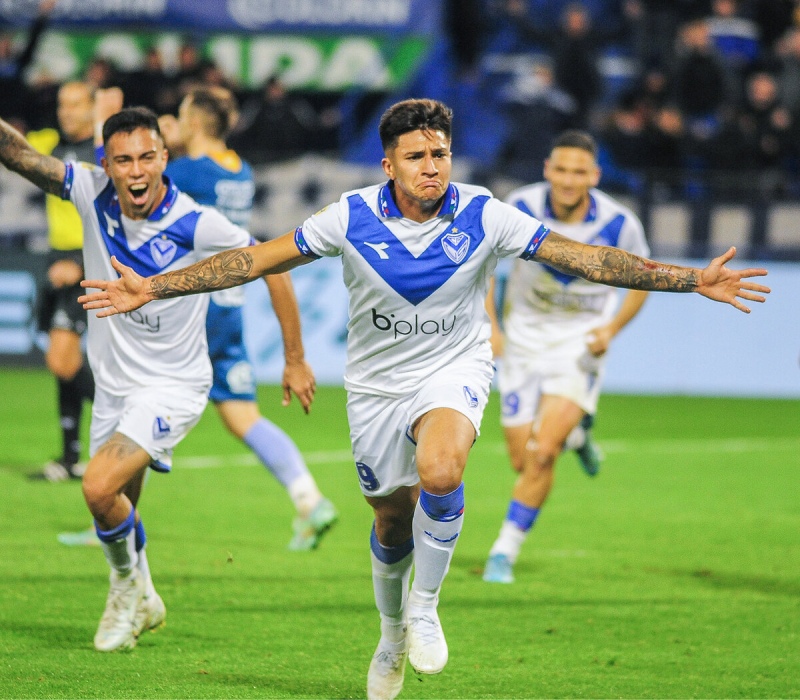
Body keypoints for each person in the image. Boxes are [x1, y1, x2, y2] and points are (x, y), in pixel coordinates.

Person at [78, 99, 769, 698]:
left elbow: (586, 258)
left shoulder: (483, 213)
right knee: (390, 522)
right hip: (376, 387)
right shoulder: (347, 218)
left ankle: (427, 606)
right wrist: (157, 284)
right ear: (389, 166)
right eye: (416, 156)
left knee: (443, 470)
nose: (432, 167)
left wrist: (688, 280)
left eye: (440, 153)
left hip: (454, 370)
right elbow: (254, 260)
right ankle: (389, 634)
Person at [0, 105, 316, 653]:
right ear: (107, 163)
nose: (137, 170)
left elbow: (272, 263)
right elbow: (17, 153)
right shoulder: (88, 190)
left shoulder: (196, 222)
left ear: (165, 157)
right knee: (116, 502)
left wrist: (294, 358)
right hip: (115, 386)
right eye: (123, 160)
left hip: (173, 384)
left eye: (148, 156)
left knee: (97, 486)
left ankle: (125, 590)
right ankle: (142, 594)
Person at [159, 86, 337, 549]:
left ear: (194, 122)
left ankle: (111, 516)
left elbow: (136, 191)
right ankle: (308, 497)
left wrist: (165, 148)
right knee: (241, 414)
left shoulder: (184, 171)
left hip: (192, 305)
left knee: (141, 394)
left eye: (180, 116)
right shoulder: (241, 169)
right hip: (231, 304)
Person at [482, 130, 650, 585]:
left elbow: (642, 282)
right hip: (522, 343)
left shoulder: (619, 222)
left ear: (594, 175)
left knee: (540, 454)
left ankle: (504, 550)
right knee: (522, 460)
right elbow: (483, 269)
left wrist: (610, 330)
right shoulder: (519, 207)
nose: (570, 180)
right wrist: (492, 326)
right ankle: (578, 437)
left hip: (578, 346)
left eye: (580, 172)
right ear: (547, 170)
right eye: (562, 169)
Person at [27, 81, 97, 481]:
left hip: (87, 261)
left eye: (75, 104)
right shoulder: (49, 143)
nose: (66, 111)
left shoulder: (103, 152)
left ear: (92, 107)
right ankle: (70, 458)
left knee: (62, 356)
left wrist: (84, 265)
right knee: (62, 361)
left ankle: (126, 417)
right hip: (57, 260)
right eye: (62, 104)